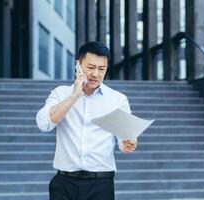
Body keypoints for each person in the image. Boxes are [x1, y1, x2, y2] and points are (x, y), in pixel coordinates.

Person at [36, 41, 137, 200]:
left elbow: (124, 139)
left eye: (101, 69)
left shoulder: (117, 100)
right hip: (64, 183)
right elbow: (44, 123)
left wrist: (127, 143)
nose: (96, 74)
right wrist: (75, 95)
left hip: (100, 184)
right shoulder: (60, 93)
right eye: (91, 67)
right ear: (78, 65)